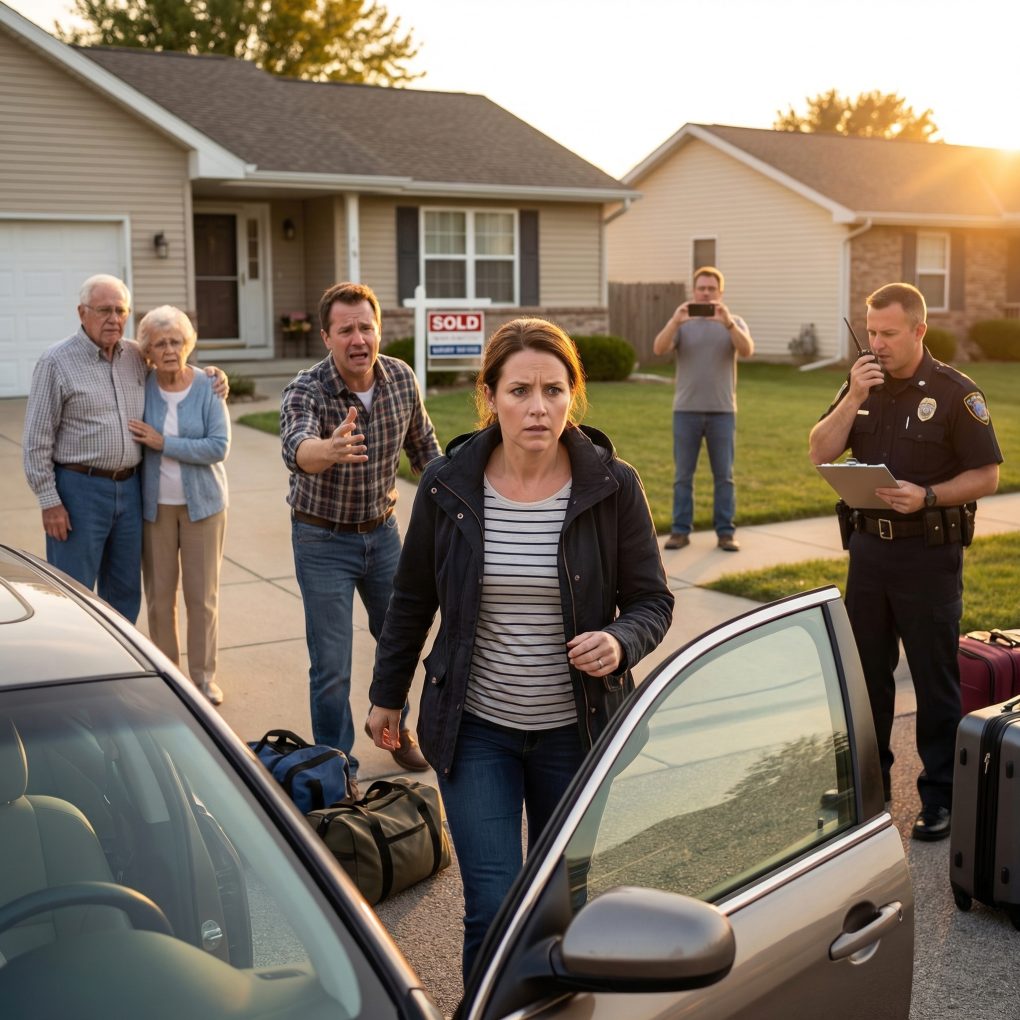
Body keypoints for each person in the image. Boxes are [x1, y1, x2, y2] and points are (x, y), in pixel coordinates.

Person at [366, 317, 674, 980]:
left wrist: (620, 641)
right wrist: (387, 696)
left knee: (563, 908)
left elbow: (653, 601)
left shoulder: (613, 485)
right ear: (490, 396)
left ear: (574, 396)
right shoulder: (450, 485)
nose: (539, 407)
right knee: (495, 908)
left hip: (577, 730)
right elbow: (413, 600)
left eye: (555, 391)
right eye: (520, 391)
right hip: (476, 730)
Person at [809, 282, 1001, 842]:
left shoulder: (954, 392)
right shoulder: (861, 383)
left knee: (934, 680)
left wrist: (929, 495)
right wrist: (851, 397)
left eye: (889, 333)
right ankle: (868, 789)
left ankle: (940, 796)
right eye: (871, 332)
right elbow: (820, 451)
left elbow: (986, 474)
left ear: (919, 330)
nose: (877, 343)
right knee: (866, 679)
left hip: (927, 556)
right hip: (868, 554)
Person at [280, 281, 441, 777]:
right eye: (345, 329)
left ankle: (394, 732)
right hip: (321, 538)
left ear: (379, 330)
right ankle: (335, 765)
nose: (357, 338)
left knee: (399, 642)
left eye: (365, 327)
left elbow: (426, 453)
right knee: (331, 664)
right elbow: (295, 444)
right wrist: (324, 451)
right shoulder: (308, 387)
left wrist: (459, 501)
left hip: (383, 534)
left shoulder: (400, 379)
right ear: (326, 337)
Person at [22, 274, 227, 623]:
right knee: (73, 591)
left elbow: (174, 362)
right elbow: (36, 442)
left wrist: (213, 375)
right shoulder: (56, 362)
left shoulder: (135, 355)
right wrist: (49, 502)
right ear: (81, 313)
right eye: (104, 310)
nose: (114, 319)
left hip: (132, 492)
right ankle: (76, 671)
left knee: (124, 591)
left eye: (121, 310)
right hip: (79, 491)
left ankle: (118, 668)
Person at [127, 306, 231, 706]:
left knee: (201, 596)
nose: (169, 349)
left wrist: (163, 443)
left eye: (175, 341)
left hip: (203, 506)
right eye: (160, 343)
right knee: (159, 595)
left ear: (187, 344)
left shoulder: (207, 386)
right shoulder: (143, 383)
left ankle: (204, 678)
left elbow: (218, 447)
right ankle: (168, 673)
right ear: (148, 351)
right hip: (155, 507)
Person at [652, 266, 754, 552]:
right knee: (683, 476)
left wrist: (729, 324)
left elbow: (747, 350)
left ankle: (725, 533)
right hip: (686, 411)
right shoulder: (682, 324)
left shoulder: (733, 322)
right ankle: (680, 531)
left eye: (712, 289)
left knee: (724, 476)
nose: (706, 293)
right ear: (694, 291)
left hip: (723, 412)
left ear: (720, 292)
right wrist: (674, 321)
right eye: (701, 288)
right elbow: (658, 348)